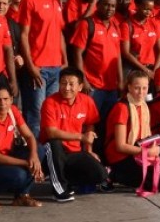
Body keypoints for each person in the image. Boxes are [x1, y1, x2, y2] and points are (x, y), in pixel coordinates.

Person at [38, 68, 108, 202]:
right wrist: (81, 137)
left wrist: (89, 150)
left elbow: (90, 125)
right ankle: (59, 190)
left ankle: (68, 180)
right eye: (63, 83)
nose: (66, 87)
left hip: (74, 151)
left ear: (80, 87)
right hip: (52, 153)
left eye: (71, 84)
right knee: (54, 143)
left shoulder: (87, 101)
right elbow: (51, 133)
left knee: (100, 174)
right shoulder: (50, 102)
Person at [18, 0, 67, 137]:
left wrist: (64, 59)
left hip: (55, 67)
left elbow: (59, 31)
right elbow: (23, 35)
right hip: (38, 68)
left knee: (51, 115)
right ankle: (35, 156)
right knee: (35, 116)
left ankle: (48, 155)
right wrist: (30, 66)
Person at [0, 84, 43, 208]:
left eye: (6, 99)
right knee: (19, 175)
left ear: (11, 99)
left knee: (41, 150)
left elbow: (29, 136)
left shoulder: (13, 111)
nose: (2, 103)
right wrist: (27, 163)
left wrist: (34, 156)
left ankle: (22, 196)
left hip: (7, 155)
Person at [103, 71, 160, 194]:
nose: (141, 92)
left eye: (144, 88)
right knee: (159, 184)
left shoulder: (143, 105)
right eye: (137, 88)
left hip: (136, 149)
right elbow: (120, 146)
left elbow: (146, 136)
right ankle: (112, 174)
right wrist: (147, 152)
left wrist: (155, 147)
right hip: (119, 156)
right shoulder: (122, 107)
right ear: (129, 87)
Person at [69, 0, 125, 119]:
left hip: (111, 86)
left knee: (107, 122)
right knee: (89, 122)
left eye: (112, 6)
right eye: (106, 5)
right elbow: (77, 53)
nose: (109, 9)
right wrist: (83, 80)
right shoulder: (87, 24)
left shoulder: (115, 26)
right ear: (98, 5)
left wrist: (121, 81)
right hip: (93, 85)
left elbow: (118, 55)